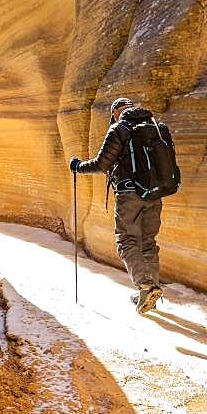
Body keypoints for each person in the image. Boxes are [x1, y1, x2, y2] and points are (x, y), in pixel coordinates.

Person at [70, 97, 166, 314]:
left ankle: (146, 285)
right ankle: (148, 291)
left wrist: (78, 167)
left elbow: (101, 164)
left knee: (126, 241)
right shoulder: (154, 128)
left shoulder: (119, 128)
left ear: (115, 112)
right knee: (148, 242)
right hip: (154, 193)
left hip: (129, 194)